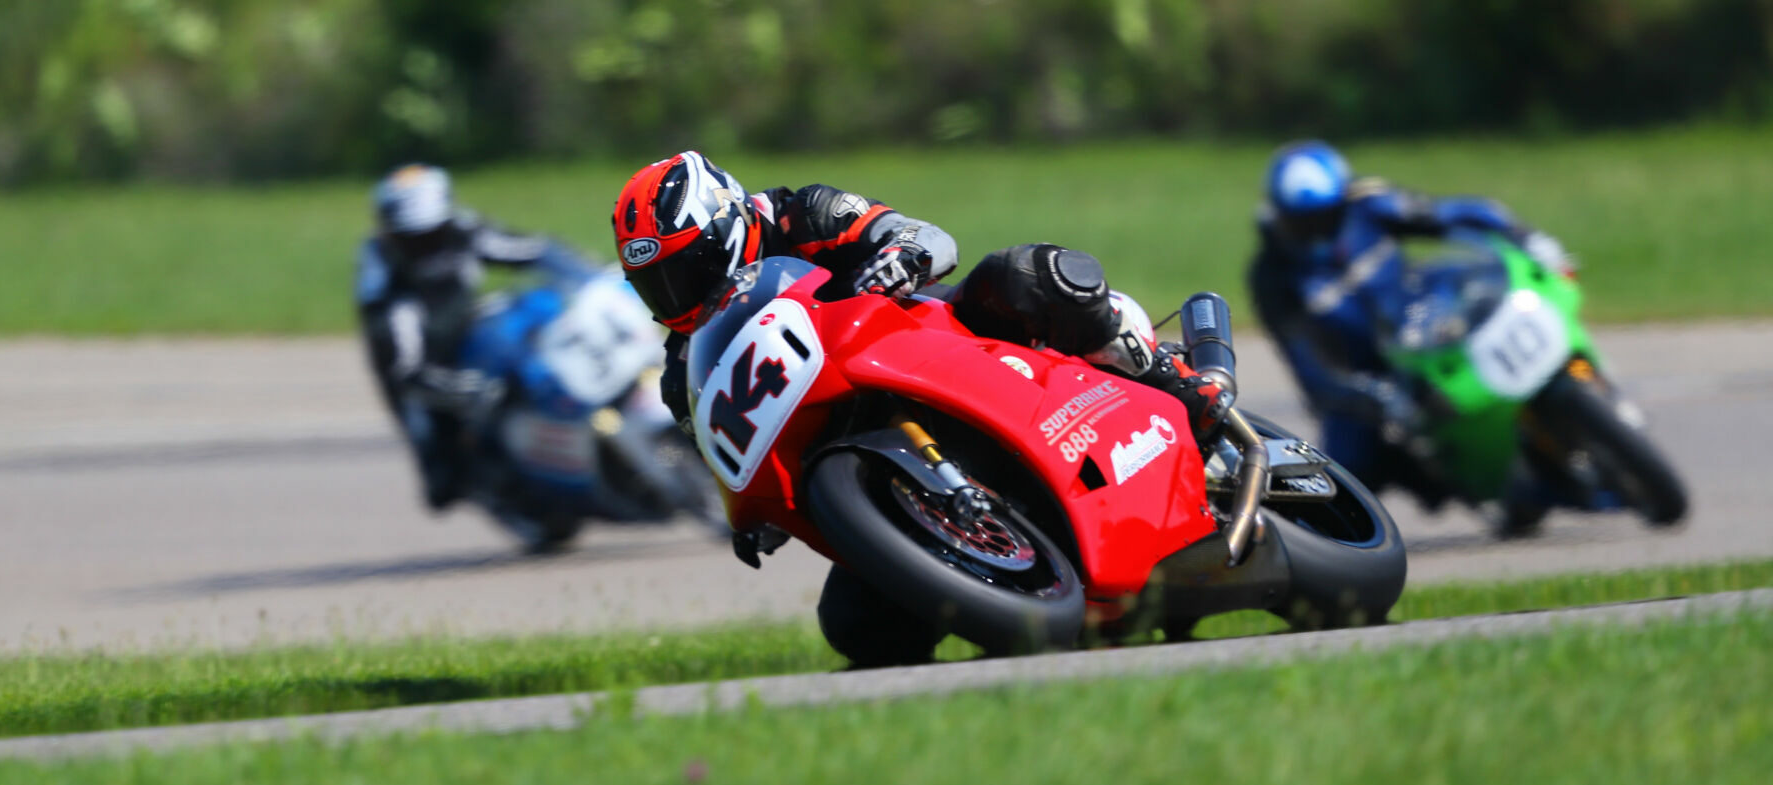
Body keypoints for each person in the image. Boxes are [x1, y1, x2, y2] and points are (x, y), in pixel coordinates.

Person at [608, 151, 1233, 451]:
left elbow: (929, 239)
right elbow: (715, 456)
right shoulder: (686, 365)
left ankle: (1174, 379)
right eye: (656, 285)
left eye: (687, 270)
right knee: (855, 627)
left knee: (1023, 273)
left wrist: (898, 260)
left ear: (728, 229)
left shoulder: (804, 212)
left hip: (942, 336)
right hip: (870, 443)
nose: (679, 296)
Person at [1246, 139, 1574, 507]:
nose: (1315, 230)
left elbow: (1459, 214)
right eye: (1301, 222)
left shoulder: (1369, 207)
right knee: (1343, 476)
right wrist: (1364, 393)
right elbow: (1306, 361)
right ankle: (1439, 491)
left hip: (1424, 328)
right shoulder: (1273, 276)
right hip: (1364, 378)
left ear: (1342, 201)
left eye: (1325, 217)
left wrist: (1525, 236)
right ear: (1278, 215)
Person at [355, 163, 591, 511]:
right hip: (418, 361)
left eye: (434, 235)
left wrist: (588, 275)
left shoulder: (463, 230)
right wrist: (466, 390)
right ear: (392, 236)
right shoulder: (386, 285)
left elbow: (530, 249)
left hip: (466, 325)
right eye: (415, 242)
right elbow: (406, 369)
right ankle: (482, 480)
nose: (428, 249)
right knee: (443, 475)